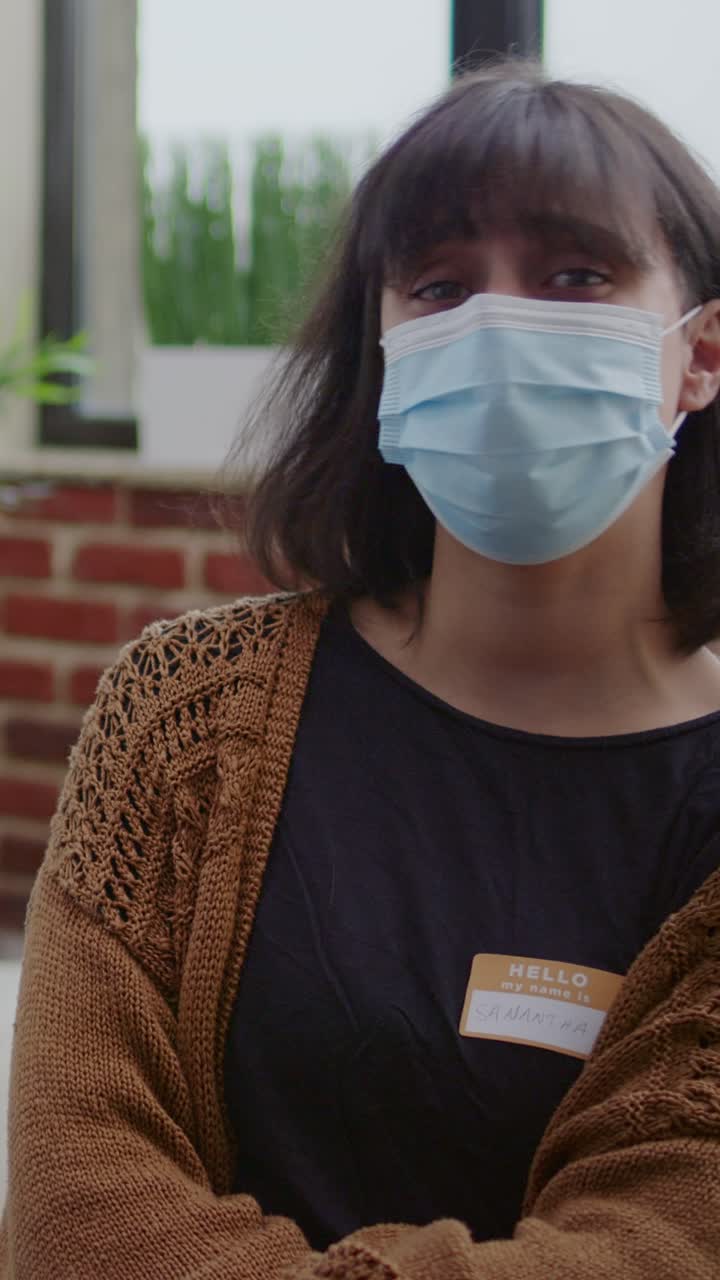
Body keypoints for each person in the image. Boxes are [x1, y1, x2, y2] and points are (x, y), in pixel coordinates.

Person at [3, 60, 720, 1280]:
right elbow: (75, 1206)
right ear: (386, 358)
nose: (494, 323)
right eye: (438, 286)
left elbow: (667, 1235)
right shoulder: (183, 714)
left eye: (576, 274)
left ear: (700, 354)